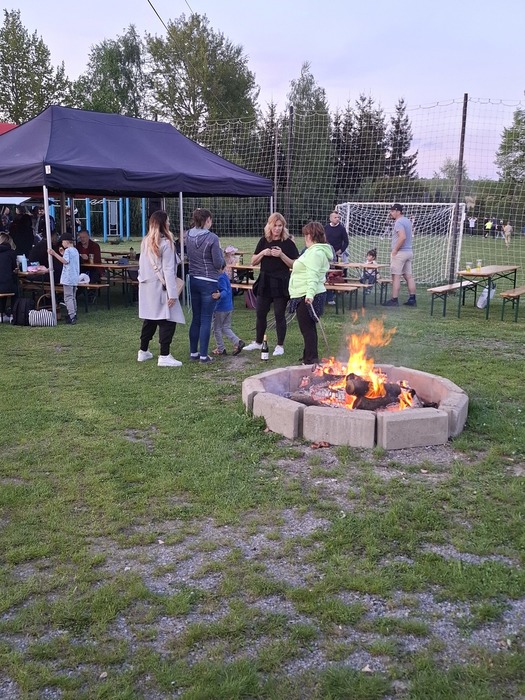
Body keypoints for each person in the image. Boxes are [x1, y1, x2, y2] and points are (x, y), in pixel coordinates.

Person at [243, 212, 299, 356]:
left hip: (281, 281)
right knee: (260, 313)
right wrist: (263, 253)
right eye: (275, 225)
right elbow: (253, 261)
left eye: (280, 226)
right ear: (269, 226)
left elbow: (294, 264)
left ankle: (280, 345)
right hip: (265, 280)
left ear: (283, 227)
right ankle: (258, 342)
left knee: (279, 314)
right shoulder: (264, 241)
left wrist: (281, 255)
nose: (277, 228)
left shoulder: (288, 243)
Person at [137, 210, 185, 367]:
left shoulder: (145, 241)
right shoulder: (166, 243)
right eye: (168, 220)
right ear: (164, 224)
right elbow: (168, 270)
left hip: (146, 286)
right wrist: (173, 294)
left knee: (150, 318)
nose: (169, 223)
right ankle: (164, 355)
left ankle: (143, 350)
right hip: (161, 287)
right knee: (168, 320)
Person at [288, 222, 333, 365]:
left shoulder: (315, 253)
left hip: (308, 294)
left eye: (306, 234)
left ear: (311, 235)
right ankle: (308, 355)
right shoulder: (312, 251)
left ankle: (311, 359)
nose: (304, 237)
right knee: (308, 327)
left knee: (307, 328)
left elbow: (313, 276)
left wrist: (310, 295)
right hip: (304, 292)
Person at [186, 207, 225, 363]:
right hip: (209, 281)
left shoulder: (188, 235)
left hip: (193, 279)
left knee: (196, 317)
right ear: (207, 220)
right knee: (206, 318)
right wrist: (222, 256)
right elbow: (217, 263)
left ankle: (193, 353)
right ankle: (203, 355)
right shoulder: (212, 238)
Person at [382, 203, 417, 307]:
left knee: (395, 276)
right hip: (409, 252)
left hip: (400, 253)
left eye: (393, 211)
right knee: (408, 276)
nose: (391, 213)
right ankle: (412, 299)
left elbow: (402, 237)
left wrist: (395, 250)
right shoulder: (407, 221)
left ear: (398, 211)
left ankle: (394, 299)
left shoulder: (399, 222)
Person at [211, 263, 246, 356]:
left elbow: (225, 291)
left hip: (220, 308)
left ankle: (221, 349)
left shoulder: (220, 278)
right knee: (225, 327)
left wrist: (219, 295)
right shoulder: (225, 276)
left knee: (216, 329)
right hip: (229, 307)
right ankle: (238, 342)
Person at [48, 233, 80, 324]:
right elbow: (70, 260)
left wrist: (54, 254)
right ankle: (74, 313)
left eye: (62, 242)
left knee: (68, 297)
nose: (62, 243)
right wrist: (62, 254)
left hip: (68, 278)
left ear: (66, 241)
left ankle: (71, 316)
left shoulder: (68, 251)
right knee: (73, 297)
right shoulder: (75, 250)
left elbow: (65, 261)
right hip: (74, 277)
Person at [323, 211, 349, 304]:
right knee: (326, 274)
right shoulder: (326, 228)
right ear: (330, 218)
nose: (337, 219)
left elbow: (346, 242)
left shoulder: (342, 229)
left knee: (335, 274)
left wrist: (340, 251)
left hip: (337, 256)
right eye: (335, 217)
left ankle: (333, 295)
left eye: (338, 217)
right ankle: (326, 294)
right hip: (326, 255)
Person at [0, 232, 18, 320]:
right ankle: (13, 314)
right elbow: (14, 268)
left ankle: (1, 313)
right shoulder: (11, 253)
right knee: (16, 288)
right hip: (6, 284)